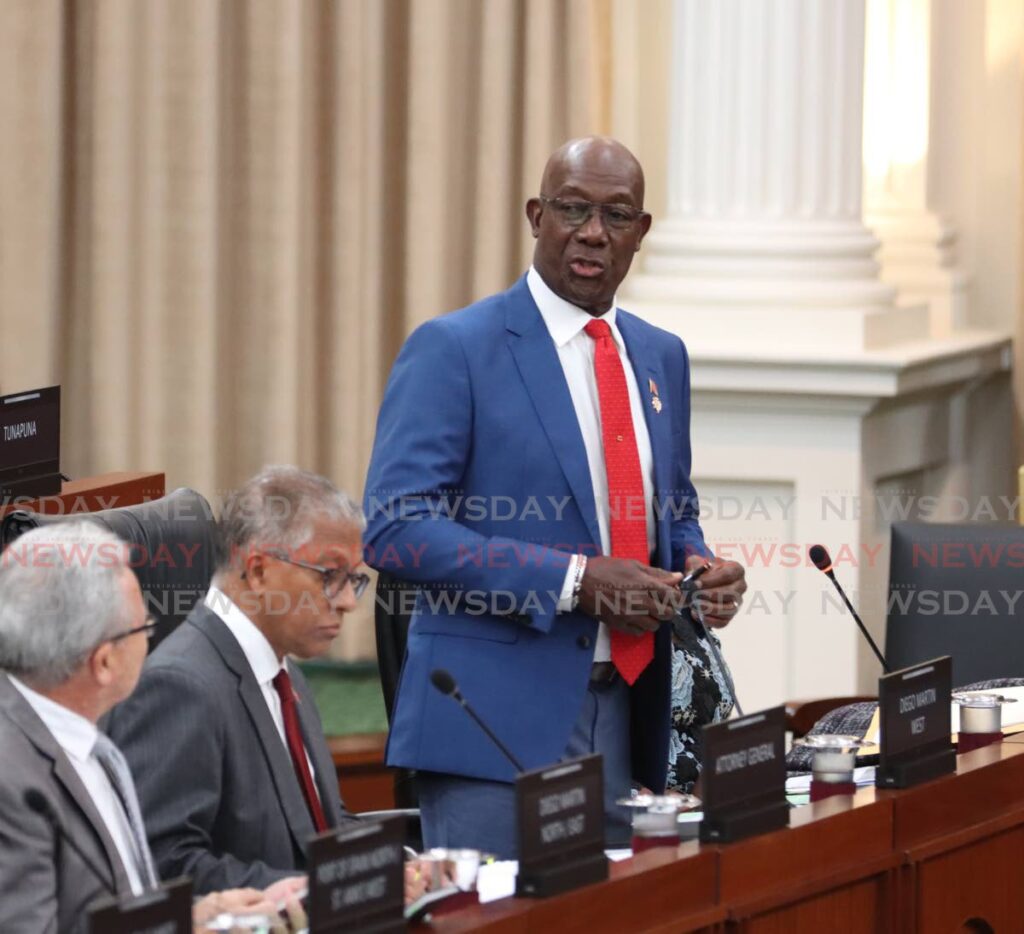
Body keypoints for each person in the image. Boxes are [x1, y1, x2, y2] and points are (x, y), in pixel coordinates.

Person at [363, 136, 747, 856]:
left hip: (636, 716)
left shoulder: (661, 355)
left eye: (616, 214)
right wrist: (575, 581)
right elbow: (396, 529)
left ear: (642, 232)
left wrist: (698, 564)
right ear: (536, 216)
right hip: (492, 725)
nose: (593, 232)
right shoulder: (456, 348)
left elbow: (675, 508)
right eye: (573, 209)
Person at [0, 522, 304, 933]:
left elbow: (109, 909)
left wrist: (200, 914)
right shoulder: (11, 785)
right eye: (144, 627)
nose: (154, 639)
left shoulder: (83, 736)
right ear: (104, 662)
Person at [106, 466, 369, 894]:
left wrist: (397, 866)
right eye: (328, 576)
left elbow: (323, 826)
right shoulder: (181, 686)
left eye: (353, 580)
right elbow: (166, 864)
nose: (346, 603)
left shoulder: (289, 676)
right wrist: (308, 889)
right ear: (259, 571)